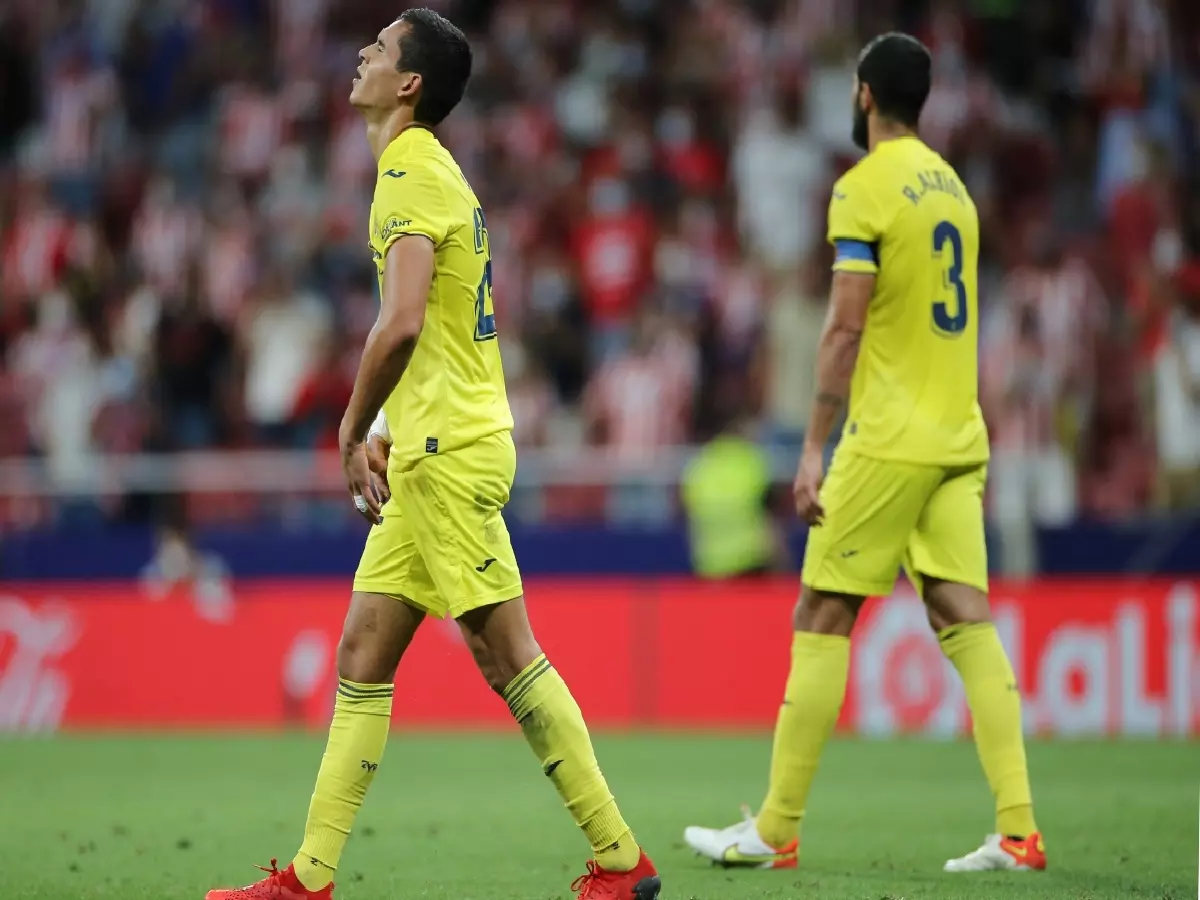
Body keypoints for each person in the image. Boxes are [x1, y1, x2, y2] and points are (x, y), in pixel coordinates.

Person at [204, 11, 660, 900]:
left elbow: (404, 321)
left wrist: (350, 427)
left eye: (379, 48)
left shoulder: (408, 173)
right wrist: (390, 424)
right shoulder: (432, 169)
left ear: (408, 83)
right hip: (432, 445)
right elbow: (441, 327)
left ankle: (620, 859)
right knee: (362, 654)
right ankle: (309, 878)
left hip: (448, 453)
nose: (362, 53)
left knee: (508, 657)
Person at [682, 32, 1044, 875]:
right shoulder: (954, 190)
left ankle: (775, 829)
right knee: (965, 617)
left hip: (887, 440)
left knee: (821, 614)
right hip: (958, 435)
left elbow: (845, 326)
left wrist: (814, 444)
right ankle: (1019, 830)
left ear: (864, 95)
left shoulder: (863, 187)